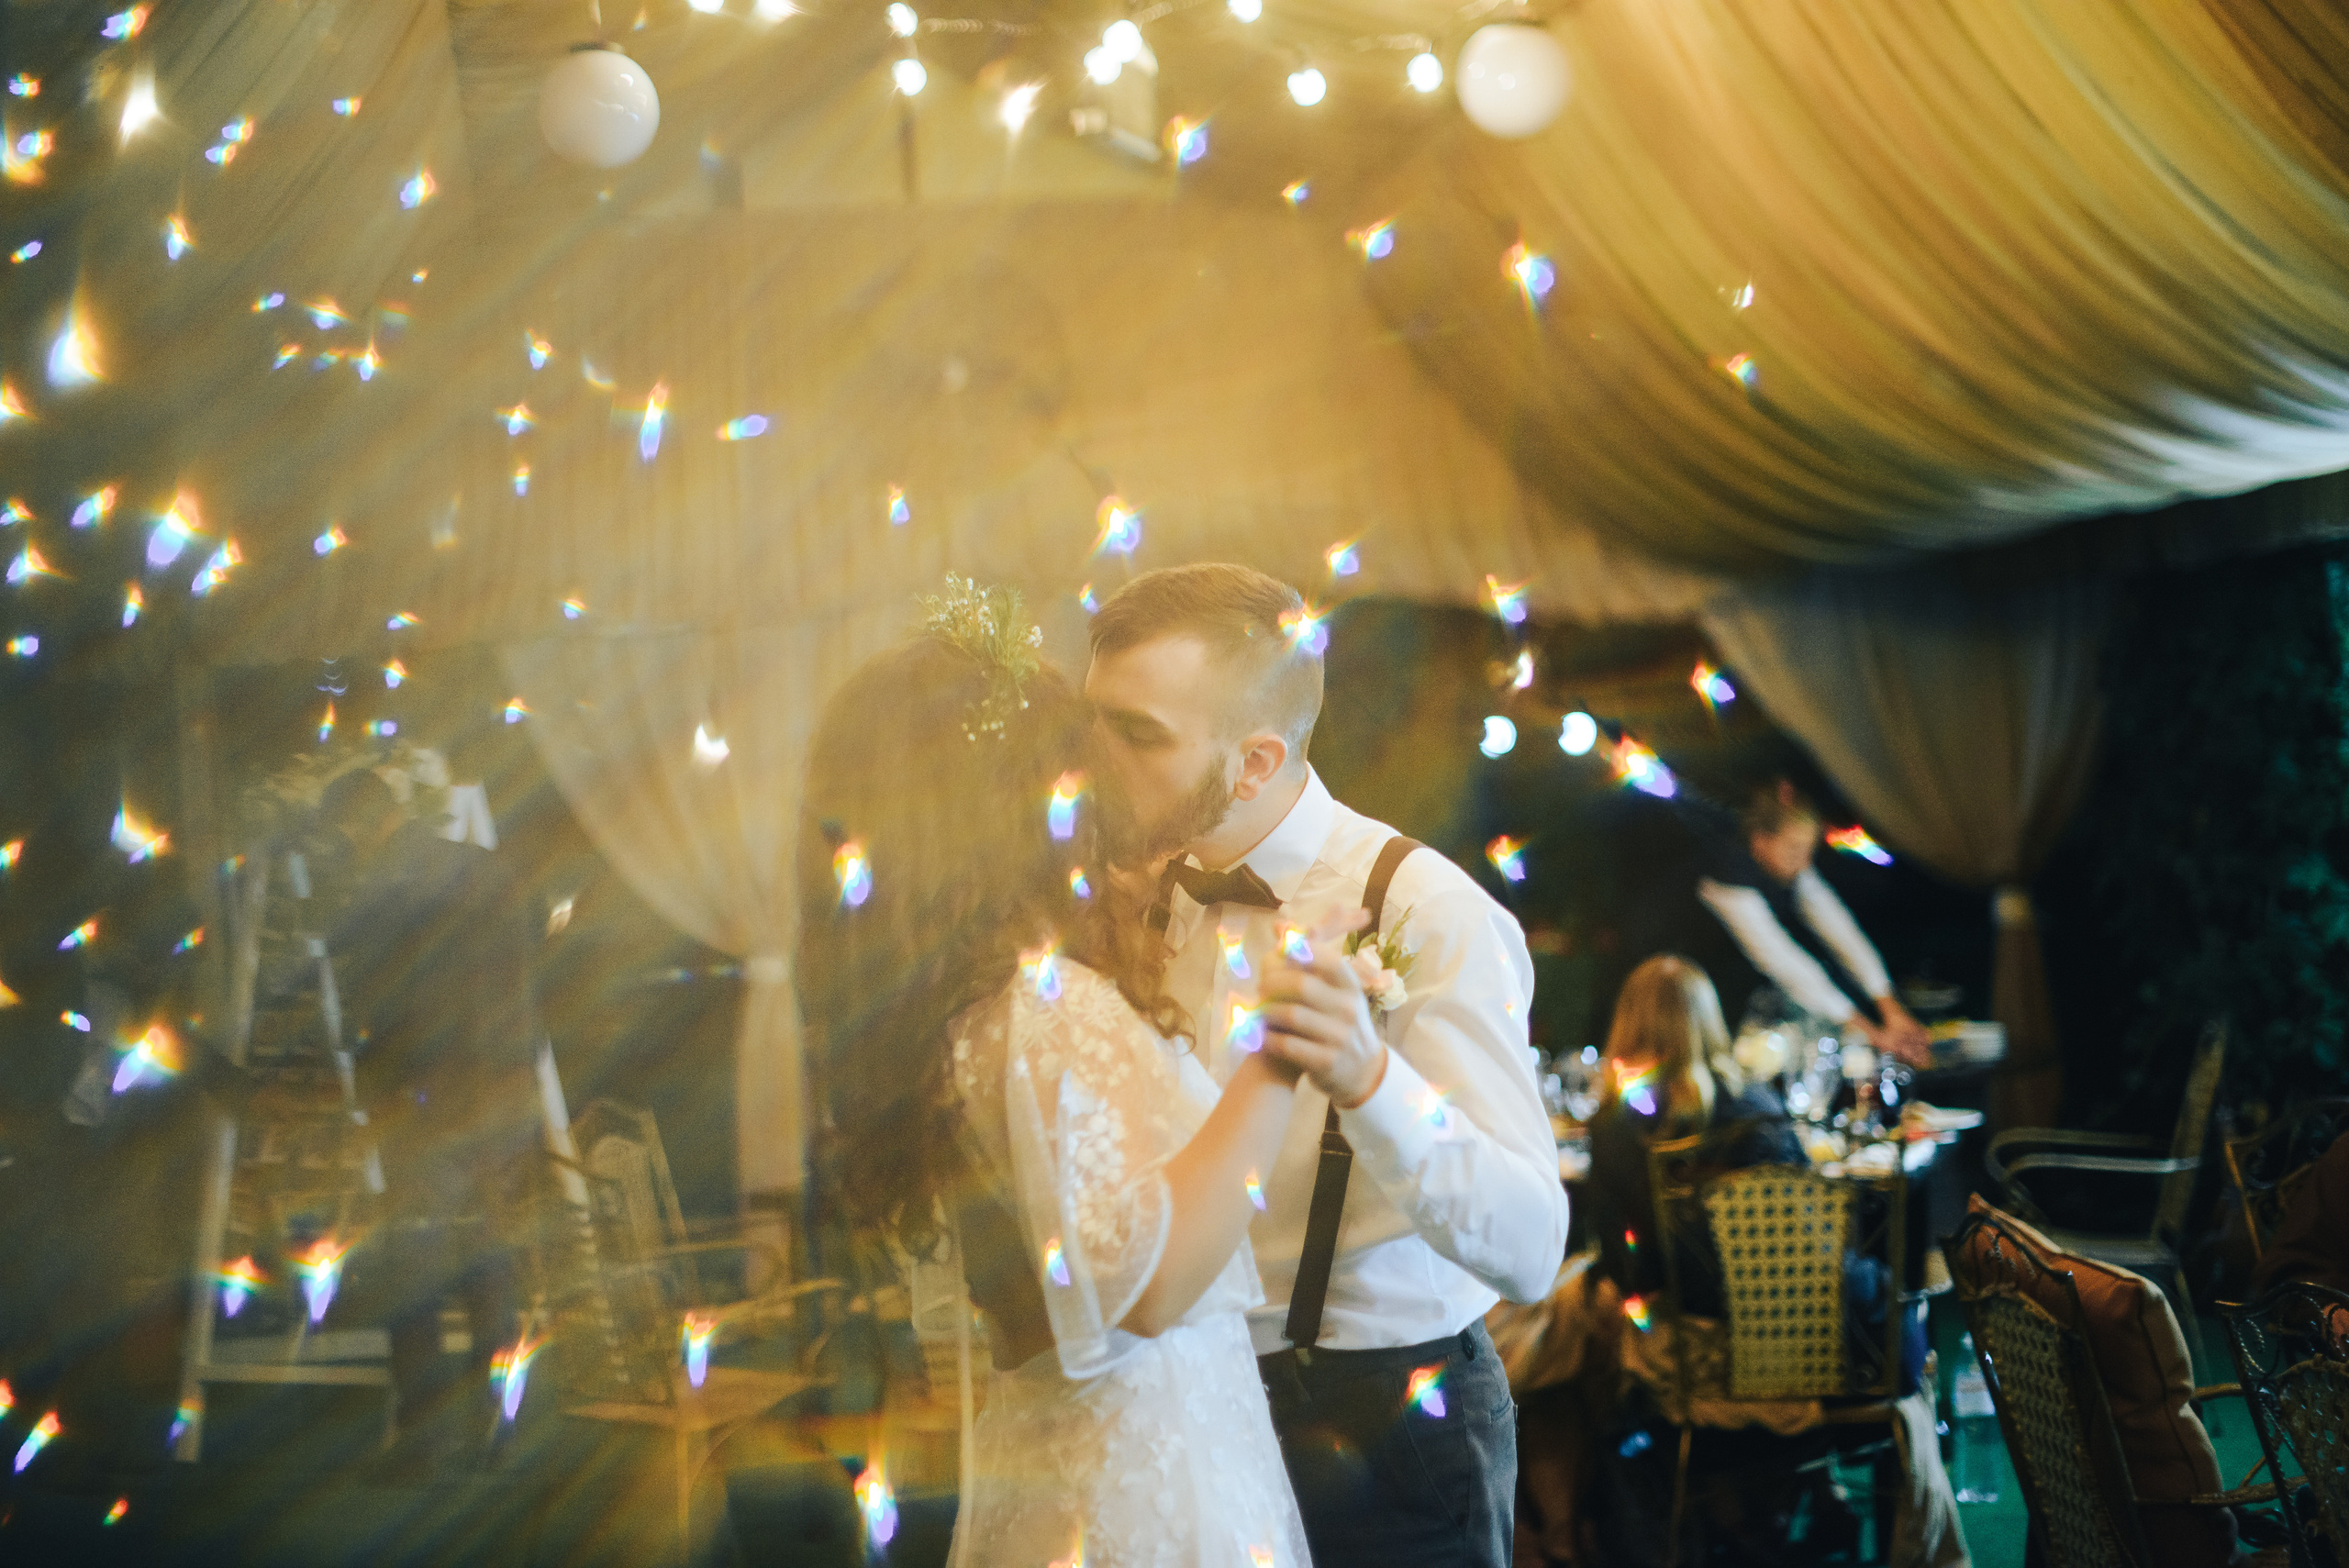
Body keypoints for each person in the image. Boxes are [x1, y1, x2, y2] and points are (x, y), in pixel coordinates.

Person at [797, 578, 1312, 1566]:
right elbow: (1144, 1287)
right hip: (1145, 1487)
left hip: (1055, 1472)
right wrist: (1281, 1051)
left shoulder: (965, 1010)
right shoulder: (1045, 1008)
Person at [1085, 563, 1569, 1568]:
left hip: (1390, 1422)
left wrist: (1367, 1075)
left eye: (1137, 733)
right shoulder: (1134, 902)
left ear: (1255, 761)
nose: (1096, 761)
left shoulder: (1425, 910)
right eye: (1094, 721)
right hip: (1189, 1407)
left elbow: (1530, 1243)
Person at [1584, 955, 1965, 1568]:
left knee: (1593, 1336)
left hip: (1699, 1359)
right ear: (1710, 1023)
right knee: (1894, 1303)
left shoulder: (1613, 1129)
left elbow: (1632, 1274)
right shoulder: (1755, 1109)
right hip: (1813, 1353)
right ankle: (1835, 1507)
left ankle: (1717, 1518)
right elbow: (1814, 1249)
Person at [319, 768, 544, 1467]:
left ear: (358, 824)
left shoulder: (384, 886)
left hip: (434, 1094)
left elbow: (382, 1004)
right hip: (506, 1085)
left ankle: (420, 1432)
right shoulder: (491, 868)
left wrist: (374, 1095)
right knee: (487, 1257)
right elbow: (530, 952)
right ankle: (496, 1426)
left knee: (412, 1265)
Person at [1694, 784, 1931, 1065]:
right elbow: (1782, 960)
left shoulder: (1793, 866)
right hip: (1699, 999)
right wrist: (1873, 1034)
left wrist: (1891, 1009)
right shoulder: (1728, 873)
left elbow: (1840, 929)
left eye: (1809, 850)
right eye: (1794, 849)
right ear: (1760, 841)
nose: (1805, 862)